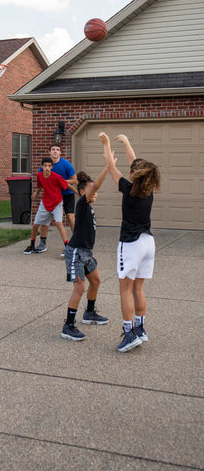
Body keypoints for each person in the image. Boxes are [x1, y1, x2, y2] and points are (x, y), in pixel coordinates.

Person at [99, 132, 161, 353]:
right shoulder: (148, 189)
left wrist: (106, 144)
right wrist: (126, 142)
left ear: (134, 175)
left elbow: (110, 166)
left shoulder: (127, 188)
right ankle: (140, 330)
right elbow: (135, 163)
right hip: (148, 243)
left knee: (125, 290)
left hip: (131, 244)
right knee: (138, 288)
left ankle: (129, 334)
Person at [61, 165, 110, 341]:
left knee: (95, 282)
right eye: (91, 190)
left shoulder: (87, 204)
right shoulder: (82, 204)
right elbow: (94, 186)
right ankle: (68, 326)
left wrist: (74, 186)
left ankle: (89, 313)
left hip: (87, 253)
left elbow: (83, 188)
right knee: (80, 287)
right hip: (75, 252)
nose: (95, 192)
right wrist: (109, 166)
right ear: (84, 193)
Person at [23, 156, 77, 255]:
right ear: (42, 167)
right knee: (35, 225)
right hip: (45, 203)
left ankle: (67, 247)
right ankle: (32, 245)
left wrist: (78, 193)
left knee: (59, 223)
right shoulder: (39, 176)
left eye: (49, 166)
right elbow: (40, 186)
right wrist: (36, 193)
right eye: (45, 166)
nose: (47, 167)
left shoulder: (56, 177)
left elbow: (68, 185)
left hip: (57, 202)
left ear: (52, 167)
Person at [36, 144, 77, 254]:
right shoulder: (44, 165)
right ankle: (42, 244)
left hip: (66, 194)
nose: (55, 152)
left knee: (70, 216)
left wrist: (59, 181)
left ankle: (76, 243)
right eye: (53, 150)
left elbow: (75, 180)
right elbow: (41, 181)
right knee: (45, 219)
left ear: (60, 152)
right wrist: (36, 193)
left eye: (57, 150)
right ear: (49, 152)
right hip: (51, 196)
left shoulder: (66, 164)